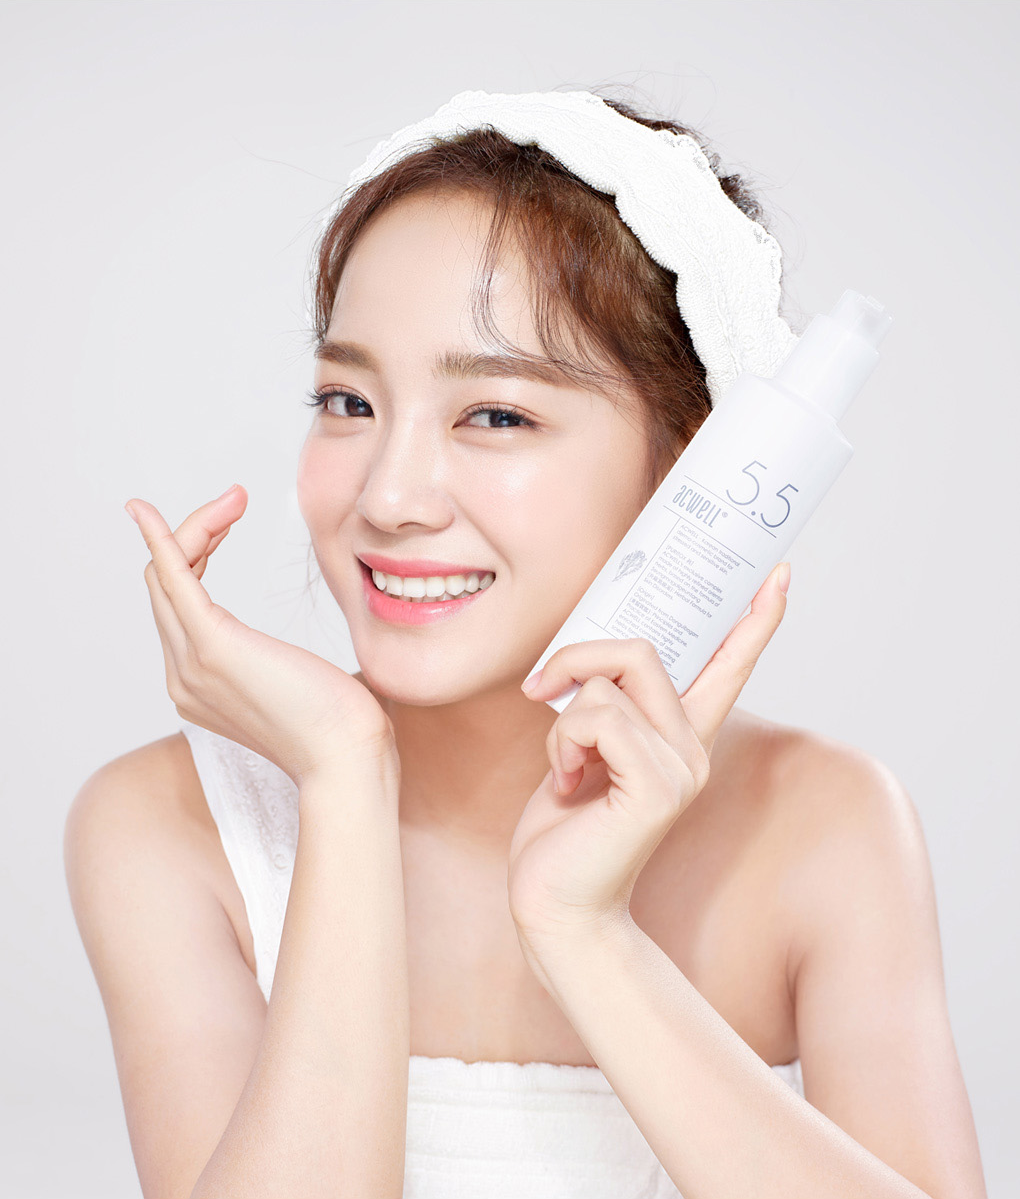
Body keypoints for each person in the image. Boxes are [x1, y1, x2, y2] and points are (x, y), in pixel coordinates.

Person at [64, 88, 987, 1199]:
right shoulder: (165, 830)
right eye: (348, 400)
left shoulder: (824, 828)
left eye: (496, 415)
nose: (389, 496)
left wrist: (585, 933)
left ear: (688, 467)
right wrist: (345, 778)